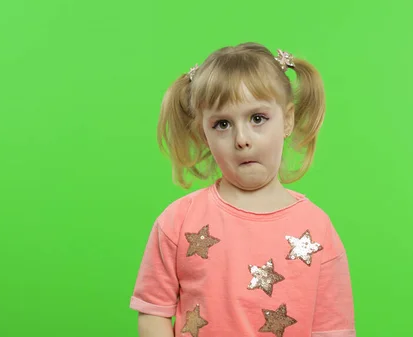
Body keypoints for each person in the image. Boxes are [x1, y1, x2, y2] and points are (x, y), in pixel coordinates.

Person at [129, 42, 356, 337]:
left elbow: (333, 330)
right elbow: (153, 313)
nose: (242, 139)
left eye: (257, 118)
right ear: (204, 133)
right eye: (222, 124)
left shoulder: (317, 230)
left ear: (287, 120)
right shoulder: (178, 222)